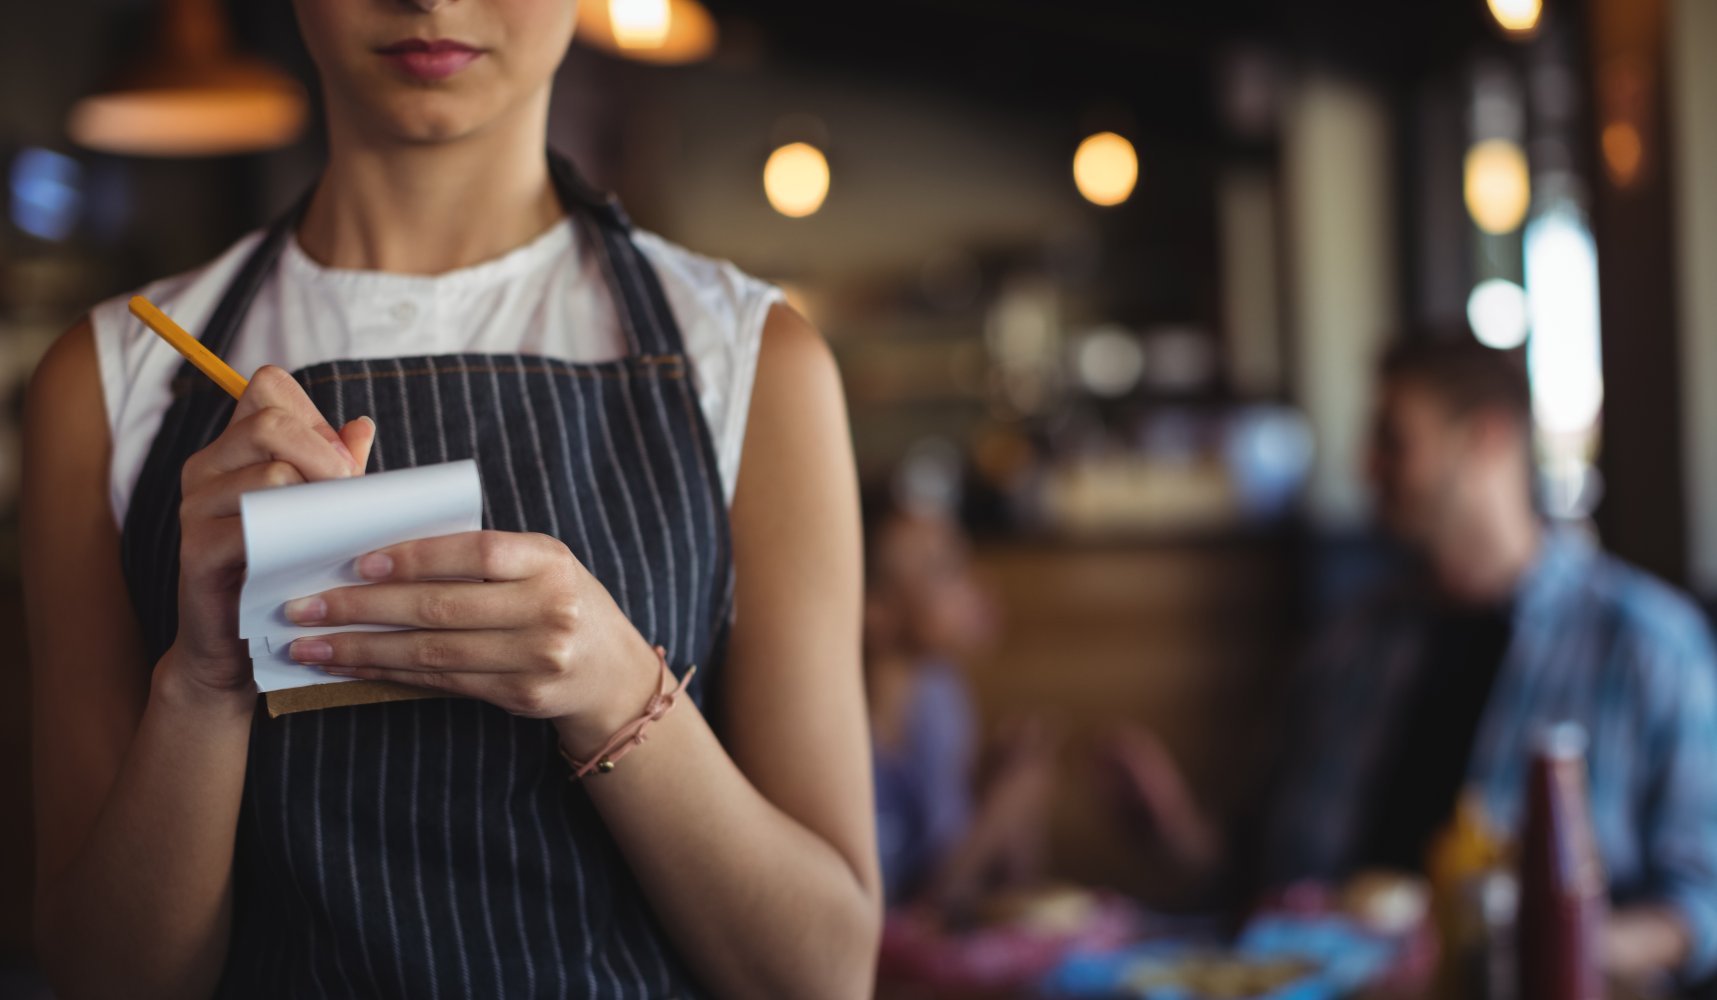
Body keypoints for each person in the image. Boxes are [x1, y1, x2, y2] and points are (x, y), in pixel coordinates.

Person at [22, 1, 880, 997]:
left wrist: (613, 686)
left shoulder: (754, 362)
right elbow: (104, 977)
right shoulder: (106, 381)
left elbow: (821, 973)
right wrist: (203, 682)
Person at [1109, 336, 1717, 984]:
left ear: (1486, 438)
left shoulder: (1645, 645)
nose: (1366, 467)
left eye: (1392, 441)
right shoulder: (1348, 645)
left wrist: (1566, 944)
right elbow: (1253, 879)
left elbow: (1701, 903)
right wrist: (1172, 835)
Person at [863, 491, 1051, 912]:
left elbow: (995, 895)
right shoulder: (839, 733)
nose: (974, 586)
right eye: (942, 569)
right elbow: (913, 915)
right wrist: (997, 816)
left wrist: (1014, 806)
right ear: (873, 608)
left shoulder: (941, 698)